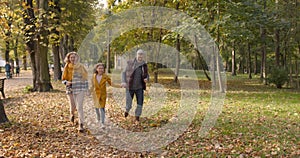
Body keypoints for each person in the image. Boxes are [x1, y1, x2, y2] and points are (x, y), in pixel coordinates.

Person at [62, 52, 88, 132]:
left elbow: (86, 78)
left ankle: (81, 124)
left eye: (75, 57)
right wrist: (67, 82)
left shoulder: (81, 67)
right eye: (71, 57)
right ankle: (72, 114)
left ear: (77, 58)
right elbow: (63, 79)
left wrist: (87, 89)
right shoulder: (67, 67)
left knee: (79, 106)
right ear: (69, 59)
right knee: (73, 106)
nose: (73, 59)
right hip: (71, 88)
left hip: (80, 88)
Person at [121, 49, 149, 123]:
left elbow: (147, 75)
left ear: (143, 56)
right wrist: (123, 81)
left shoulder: (144, 65)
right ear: (136, 55)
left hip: (139, 88)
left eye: (141, 54)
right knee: (129, 104)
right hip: (129, 87)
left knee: (140, 103)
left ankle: (137, 117)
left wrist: (147, 78)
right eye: (139, 54)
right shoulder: (130, 63)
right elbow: (123, 73)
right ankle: (127, 110)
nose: (140, 56)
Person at [90, 63, 120, 128]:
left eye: (102, 68)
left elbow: (111, 84)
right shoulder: (93, 76)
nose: (101, 69)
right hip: (95, 94)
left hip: (102, 94)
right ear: (96, 69)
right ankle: (98, 118)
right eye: (99, 68)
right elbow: (92, 86)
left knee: (102, 108)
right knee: (96, 108)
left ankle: (102, 122)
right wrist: (89, 92)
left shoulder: (105, 76)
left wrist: (120, 86)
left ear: (104, 69)